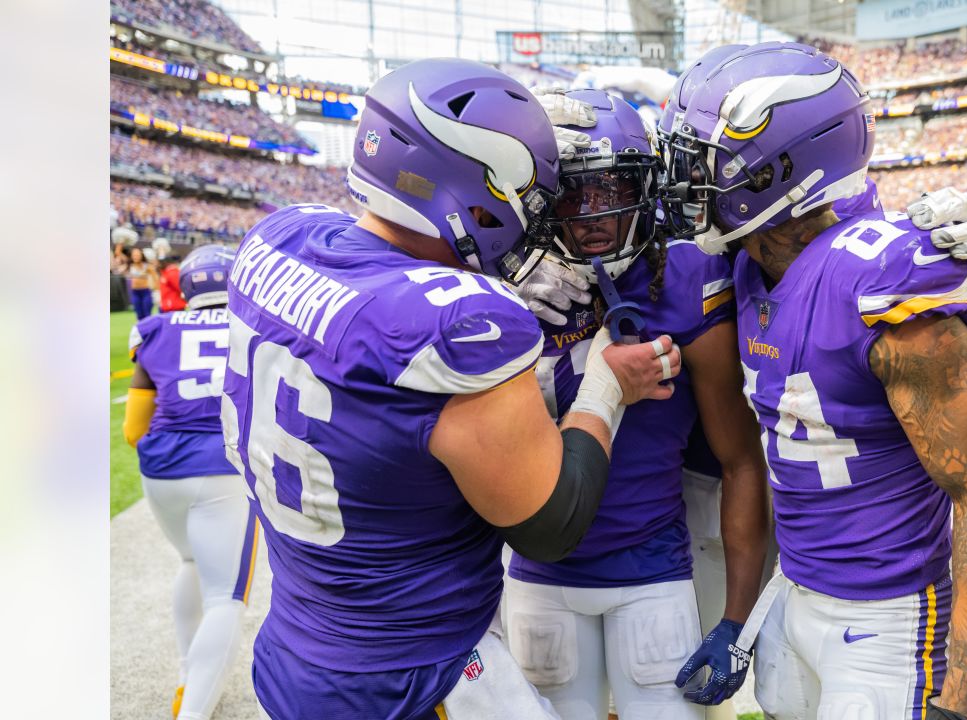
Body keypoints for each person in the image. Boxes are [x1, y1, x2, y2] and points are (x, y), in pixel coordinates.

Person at [221, 59, 682, 719]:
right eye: (529, 190)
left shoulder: (279, 238)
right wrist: (604, 388)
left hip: (294, 644)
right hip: (412, 673)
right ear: (476, 189)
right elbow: (552, 525)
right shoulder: (462, 324)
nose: (536, 215)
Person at [665, 42, 967, 720]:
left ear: (775, 172)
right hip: (797, 596)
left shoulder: (880, 281)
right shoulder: (747, 266)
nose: (682, 186)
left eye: (699, 167)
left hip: (887, 619)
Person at [502, 88, 770, 720]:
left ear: (645, 187)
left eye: (610, 189)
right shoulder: (499, 283)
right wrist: (498, 293)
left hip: (653, 569)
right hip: (538, 569)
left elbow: (739, 460)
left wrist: (736, 618)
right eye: (571, 193)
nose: (591, 214)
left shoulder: (685, 276)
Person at [123, 244, 252, 720]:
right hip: (223, 471)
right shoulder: (252, 328)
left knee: (191, 561)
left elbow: (133, 430)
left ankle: (186, 674)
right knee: (226, 598)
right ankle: (192, 711)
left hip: (161, 474)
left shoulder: (155, 329)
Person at [126, 246, 158, 321]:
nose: (136, 257)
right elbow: (118, 255)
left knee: (147, 313)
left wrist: (156, 290)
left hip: (145, 291)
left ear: (141, 255)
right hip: (135, 292)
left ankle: (149, 331)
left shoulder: (147, 266)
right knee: (139, 314)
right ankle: (141, 331)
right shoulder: (130, 266)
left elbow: (155, 277)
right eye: (134, 255)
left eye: (137, 255)